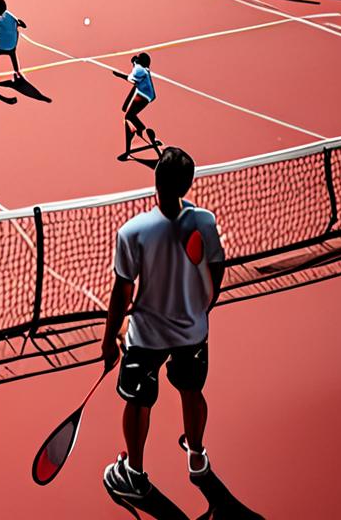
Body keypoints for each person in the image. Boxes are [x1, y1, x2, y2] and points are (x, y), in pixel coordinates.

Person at [100, 147, 226, 503]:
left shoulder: (133, 231)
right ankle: (197, 458)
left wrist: (110, 341)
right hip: (193, 332)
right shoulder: (205, 221)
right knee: (191, 391)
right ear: (188, 185)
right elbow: (217, 269)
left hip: (147, 339)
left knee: (139, 404)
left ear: (155, 181)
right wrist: (201, 308)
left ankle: (135, 477)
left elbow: (122, 291)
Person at [112, 52, 160, 161]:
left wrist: (119, 74)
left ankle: (140, 131)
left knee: (129, 116)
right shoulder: (142, 69)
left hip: (143, 96)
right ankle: (139, 131)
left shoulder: (140, 70)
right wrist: (134, 62)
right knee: (129, 116)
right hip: (144, 94)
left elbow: (130, 79)